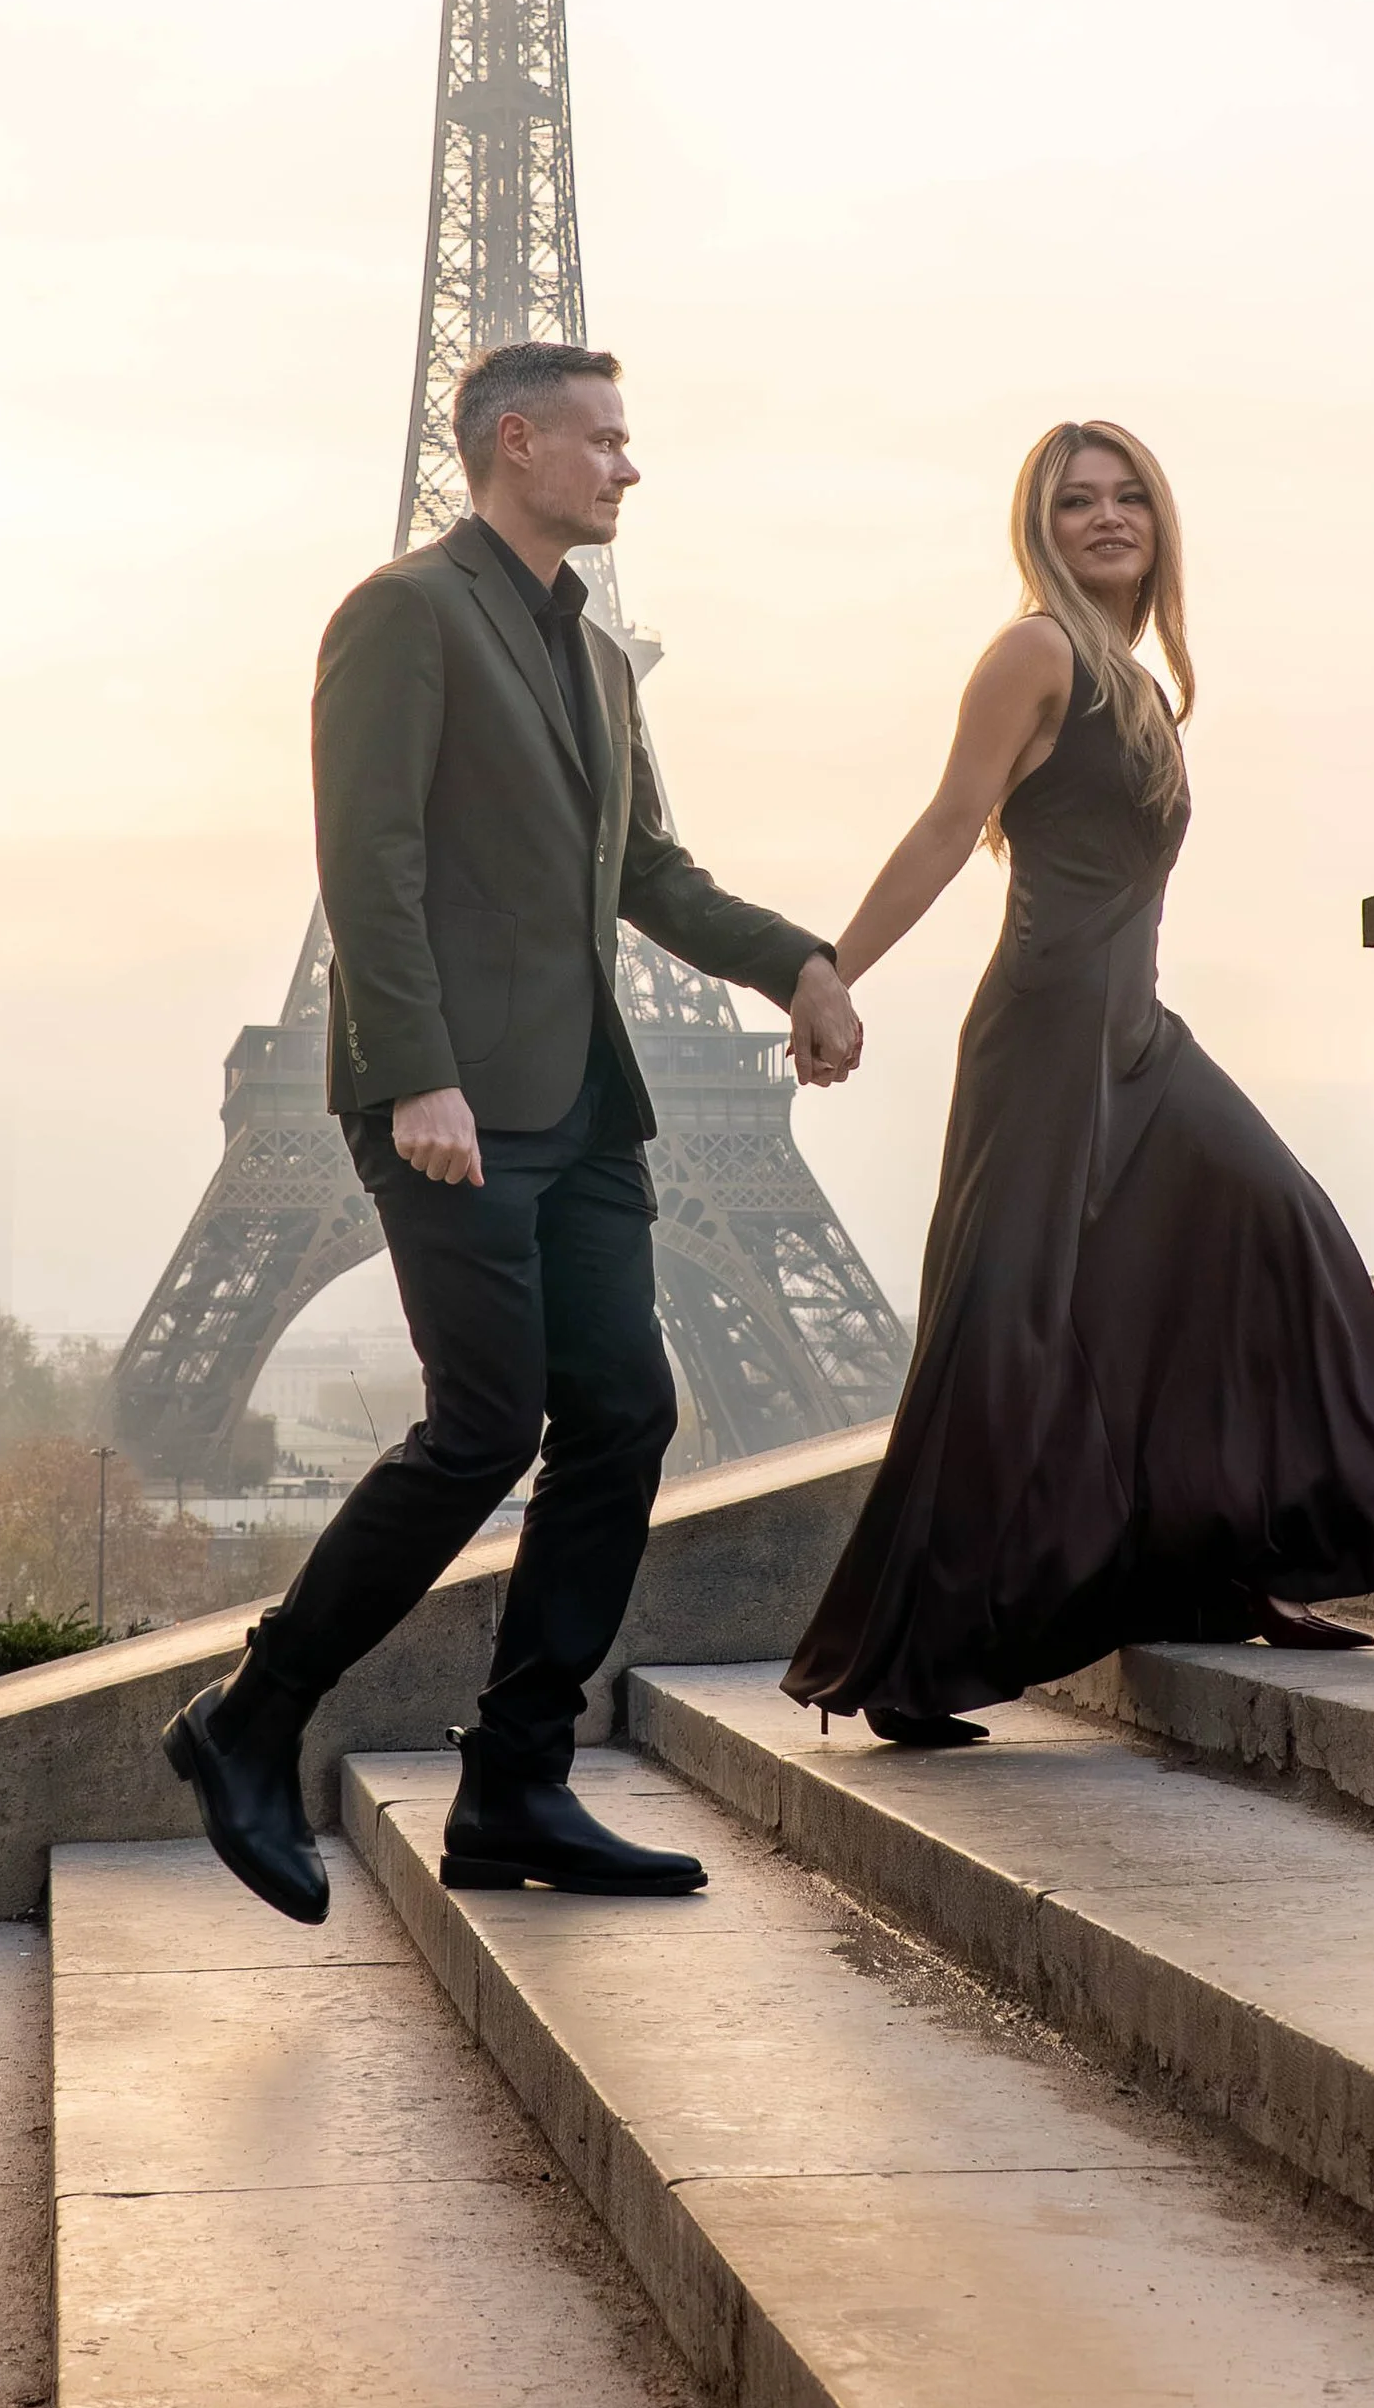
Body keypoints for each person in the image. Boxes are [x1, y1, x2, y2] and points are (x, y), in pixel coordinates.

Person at [166, 339, 863, 1918]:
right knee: (484, 1427)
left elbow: (655, 878)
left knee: (622, 1411)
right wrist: (415, 1071)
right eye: (608, 440)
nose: (630, 466)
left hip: (581, 1108)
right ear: (518, 440)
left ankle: (518, 1778)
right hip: (452, 1106)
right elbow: (371, 855)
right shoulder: (405, 614)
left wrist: (799, 958)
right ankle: (251, 1717)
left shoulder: (600, 660)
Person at [783, 417, 1374, 1742]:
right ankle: (917, 1658)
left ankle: (1226, 1558)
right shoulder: (1035, 652)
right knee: (1009, 1325)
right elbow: (947, 822)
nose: (1105, 519)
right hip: (1046, 1037)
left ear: (1158, 525)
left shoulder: (1144, 683)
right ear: (1038, 528)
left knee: (1266, 1229)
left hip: (1139, 1037)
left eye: (1127, 500)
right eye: (1075, 502)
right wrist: (832, 968)